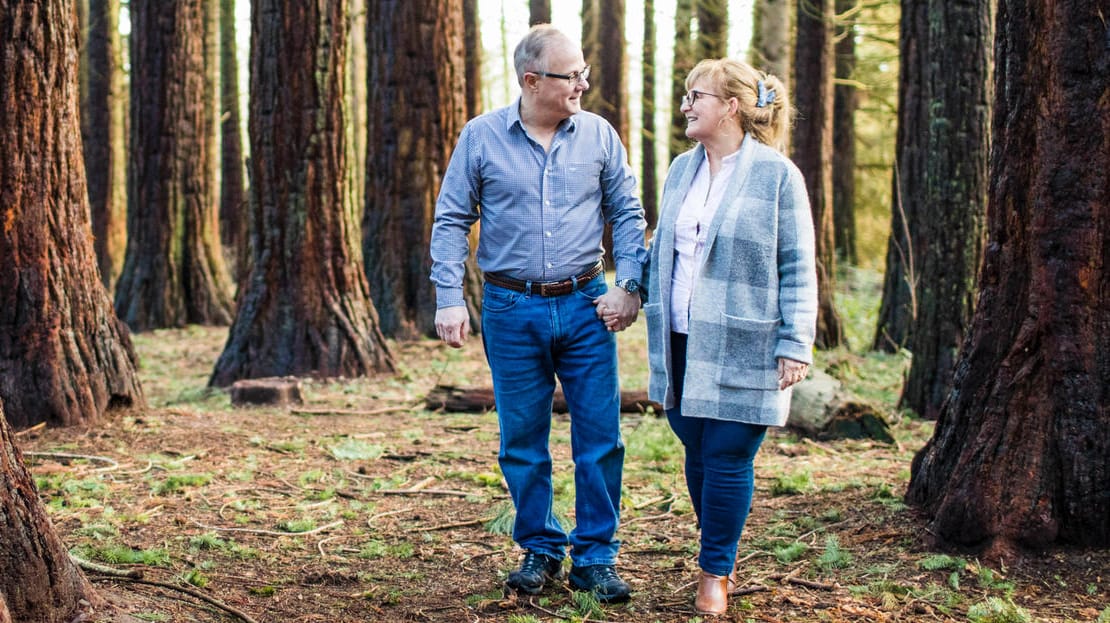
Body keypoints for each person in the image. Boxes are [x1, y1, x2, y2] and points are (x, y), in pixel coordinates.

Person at [429, 24, 647, 603]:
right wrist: (449, 295)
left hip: (585, 305)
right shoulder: (480, 138)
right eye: (571, 75)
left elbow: (628, 213)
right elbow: (452, 218)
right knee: (522, 439)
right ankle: (541, 548)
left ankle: (596, 558)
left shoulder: (599, 135)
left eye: (583, 73)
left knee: (600, 438)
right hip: (509, 307)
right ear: (531, 81)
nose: (583, 82)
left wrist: (629, 286)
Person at [635, 58, 817, 615]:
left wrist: (795, 341)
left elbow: (797, 264)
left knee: (729, 453)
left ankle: (715, 570)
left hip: (747, 340)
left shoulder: (777, 175)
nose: (686, 105)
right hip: (681, 338)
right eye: (687, 95)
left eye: (697, 96)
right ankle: (716, 541)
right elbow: (661, 247)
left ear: (731, 107)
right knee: (696, 447)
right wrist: (628, 289)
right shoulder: (679, 170)